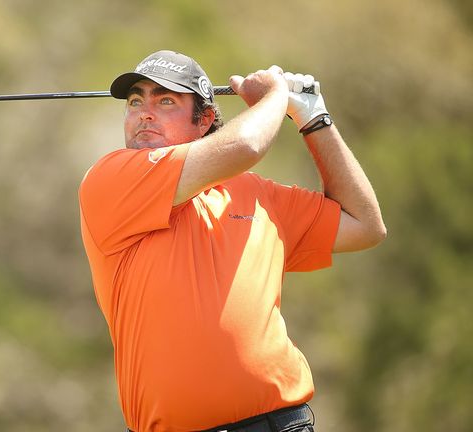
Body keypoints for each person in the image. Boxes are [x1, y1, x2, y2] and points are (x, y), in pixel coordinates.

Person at [78, 50, 386, 432]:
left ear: (205, 119)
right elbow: (246, 146)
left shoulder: (260, 196)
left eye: (166, 100)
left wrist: (314, 118)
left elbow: (365, 224)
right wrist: (277, 95)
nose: (144, 112)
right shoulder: (110, 180)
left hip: (279, 425)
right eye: (135, 101)